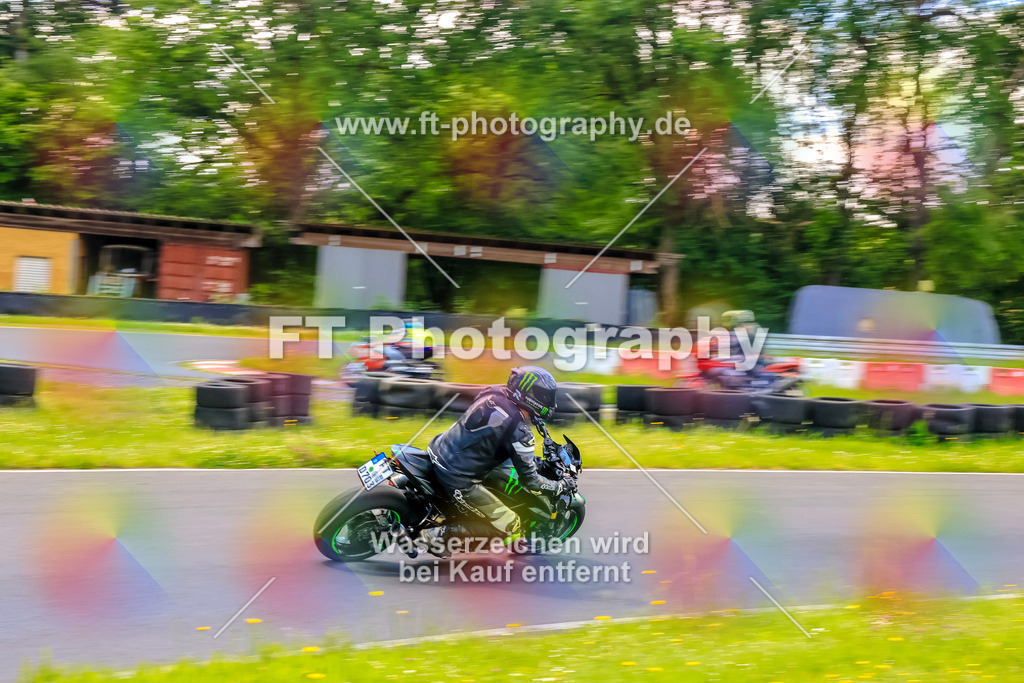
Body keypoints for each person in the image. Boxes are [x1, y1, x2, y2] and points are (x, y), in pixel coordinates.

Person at [426, 366, 574, 546]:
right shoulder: (520, 433)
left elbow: (496, 437)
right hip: (457, 479)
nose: (550, 402)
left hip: (438, 449)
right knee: (512, 525)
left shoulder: (492, 394)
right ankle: (440, 536)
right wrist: (560, 486)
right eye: (545, 396)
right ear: (531, 396)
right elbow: (532, 482)